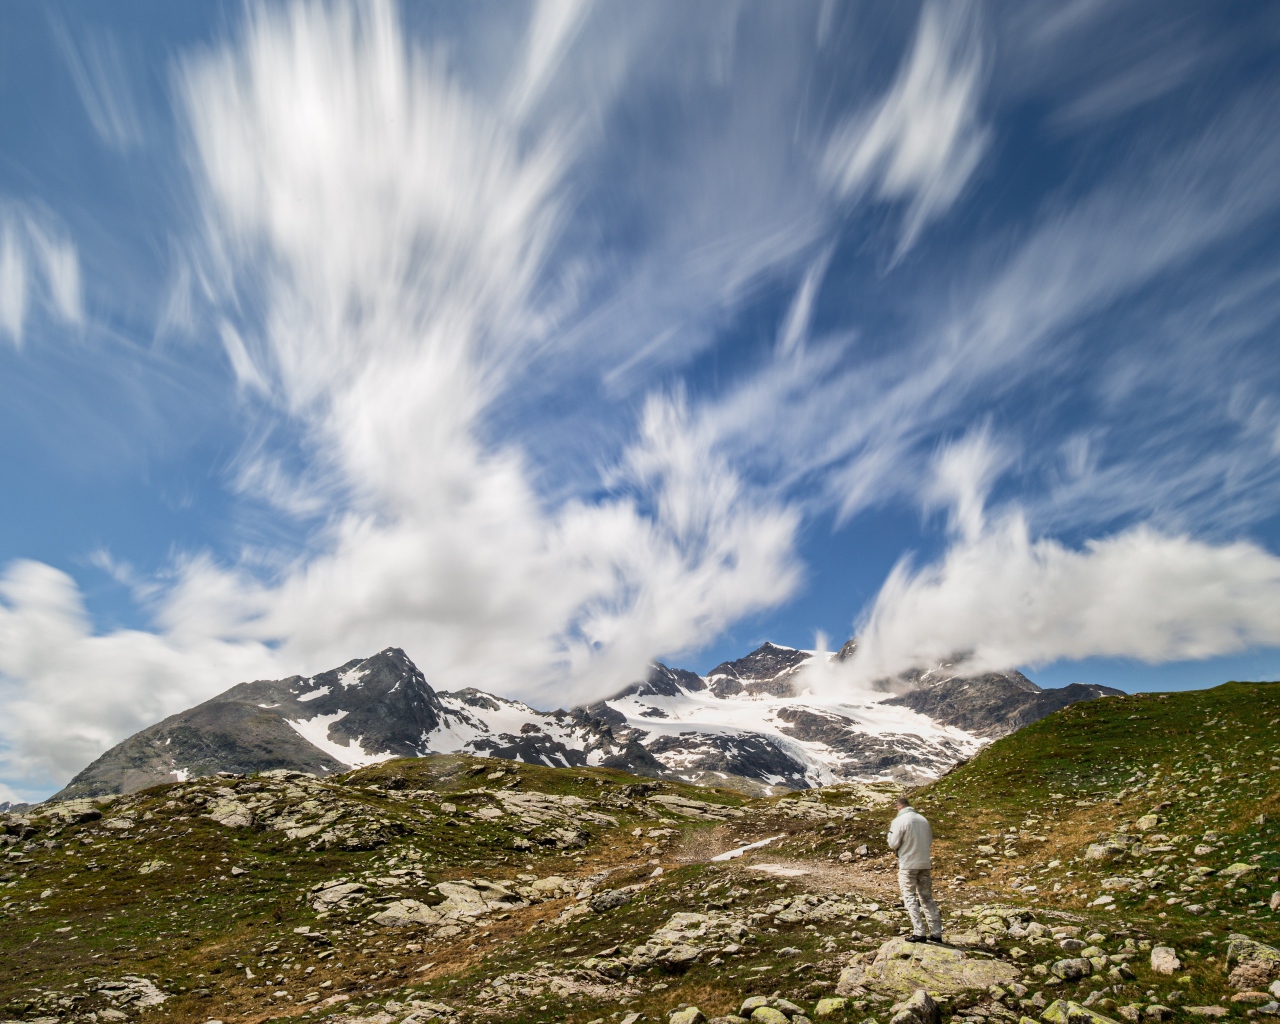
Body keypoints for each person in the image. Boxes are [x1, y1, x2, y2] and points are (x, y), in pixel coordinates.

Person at [886, 794, 942, 943]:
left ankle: (919, 932)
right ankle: (936, 933)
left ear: (899, 807)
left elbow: (893, 843)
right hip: (924, 863)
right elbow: (929, 840)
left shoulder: (899, 821)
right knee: (927, 897)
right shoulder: (923, 820)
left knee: (909, 896)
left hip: (907, 864)